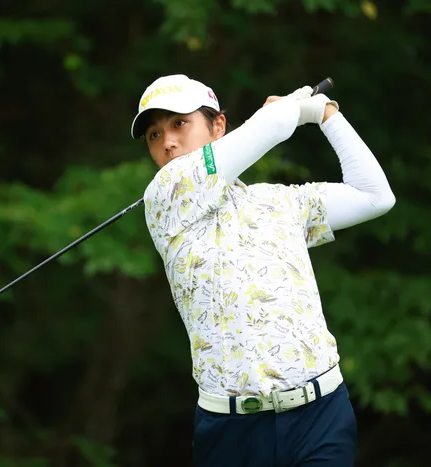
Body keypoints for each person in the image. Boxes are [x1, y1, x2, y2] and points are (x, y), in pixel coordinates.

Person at [131, 74, 396, 467]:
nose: (168, 141)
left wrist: (326, 115)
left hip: (320, 414)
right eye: (154, 135)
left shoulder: (279, 201)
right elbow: (272, 126)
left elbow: (375, 196)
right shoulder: (164, 197)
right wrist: (292, 109)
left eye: (179, 123)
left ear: (218, 126)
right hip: (232, 430)